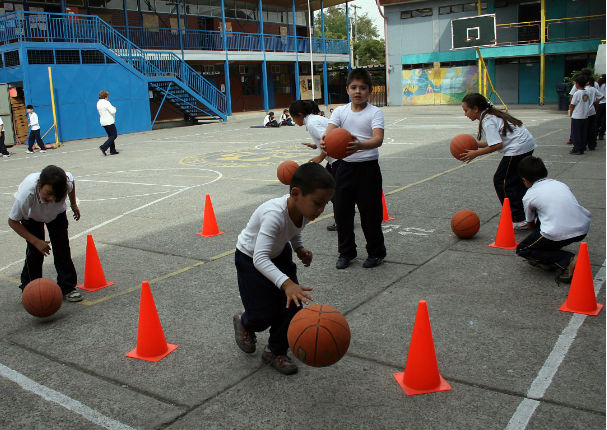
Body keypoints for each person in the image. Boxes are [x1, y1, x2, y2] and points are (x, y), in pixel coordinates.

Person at [232, 162, 335, 375]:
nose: (321, 210)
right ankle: (245, 322)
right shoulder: (274, 214)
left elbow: (294, 228)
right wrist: (287, 283)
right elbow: (260, 258)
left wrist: (299, 248)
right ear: (295, 193)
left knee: (292, 307)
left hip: (279, 255)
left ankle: (275, 350)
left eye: (325, 204)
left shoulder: (304, 210)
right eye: (318, 203)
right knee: (262, 313)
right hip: (250, 259)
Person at [320, 68, 386, 269]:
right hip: (344, 168)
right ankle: (346, 252)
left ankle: (376, 252)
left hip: (368, 169)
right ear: (347, 89)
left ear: (370, 90)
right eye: (354, 87)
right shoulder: (340, 111)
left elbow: (378, 138)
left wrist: (360, 145)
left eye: (363, 88)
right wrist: (325, 143)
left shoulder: (375, 112)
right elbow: (329, 134)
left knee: (370, 214)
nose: (358, 91)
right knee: (342, 213)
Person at [460, 93, 537, 230]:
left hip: (518, 148)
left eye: (466, 110)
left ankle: (518, 218)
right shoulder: (490, 115)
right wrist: (476, 145)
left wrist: (475, 153)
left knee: (501, 181)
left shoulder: (487, 120)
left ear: (476, 109)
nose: (465, 114)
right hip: (526, 144)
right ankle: (527, 215)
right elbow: (494, 141)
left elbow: (496, 146)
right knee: (516, 182)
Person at [8, 165, 83, 302]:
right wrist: (36, 241)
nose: (52, 198)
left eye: (57, 195)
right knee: (35, 252)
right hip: (32, 217)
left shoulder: (65, 181)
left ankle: (67, 287)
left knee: (62, 249)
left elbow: (71, 182)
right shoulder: (27, 193)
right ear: (39, 184)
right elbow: (12, 221)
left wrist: (73, 205)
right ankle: (30, 288)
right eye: (48, 193)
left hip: (56, 216)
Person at [515, 156, 590, 283]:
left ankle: (567, 259)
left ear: (525, 180)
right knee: (545, 221)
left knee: (523, 249)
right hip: (582, 228)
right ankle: (551, 252)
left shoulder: (529, 195)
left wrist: (537, 237)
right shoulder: (560, 184)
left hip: (557, 232)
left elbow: (529, 224)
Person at [290, 99, 337, 231]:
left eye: (294, 118)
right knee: (334, 191)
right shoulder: (315, 119)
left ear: (299, 115)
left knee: (333, 192)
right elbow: (325, 137)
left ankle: (343, 218)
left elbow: (330, 140)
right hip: (336, 159)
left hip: (337, 160)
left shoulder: (312, 124)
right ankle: (343, 215)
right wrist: (315, 145)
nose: (294, 121)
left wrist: (320, 157)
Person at [568, 74, 590, 155]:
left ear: (577, 83)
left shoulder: (577, 93)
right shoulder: (586, 92)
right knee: (583, 132)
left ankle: (577, 148)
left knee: (576, 133)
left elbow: (572, 105)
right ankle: (582, 147)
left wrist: (570, 114)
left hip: (577, 116)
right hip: (584, 116)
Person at [97, 90, 119, 156]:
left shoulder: (98, 103)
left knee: (110, 136)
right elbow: (112, 111)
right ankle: (103, 147)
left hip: (103, 121)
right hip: (109, 121)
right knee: (114, 135)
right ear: (105, 97)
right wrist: (114, 108)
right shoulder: (106, 102)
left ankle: (112, 150)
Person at [584, 75, 602, 151]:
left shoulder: (584, 89)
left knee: (584, 129)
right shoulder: (594, 89)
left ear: (588, 82)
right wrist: (595, 102)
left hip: (584, 112)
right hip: (592, 111)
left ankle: (583, 144)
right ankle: (592, 145)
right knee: (592, 129)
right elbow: (601, 96)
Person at [596, 74, 605, 141]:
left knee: (597, 119)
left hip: (599, 103)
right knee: (604, 120)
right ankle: (601, 134)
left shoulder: (597, 84)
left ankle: (595, 132)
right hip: (605, 103)